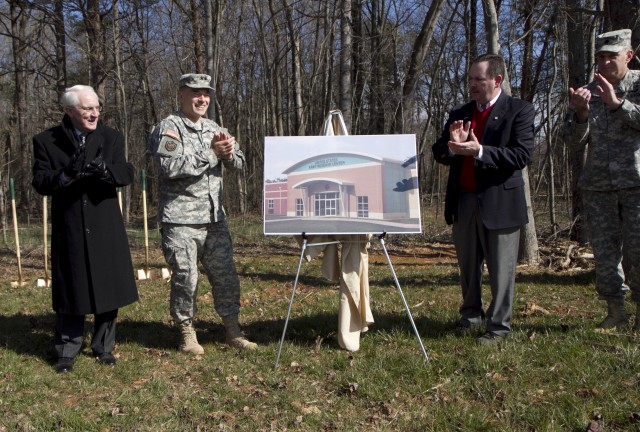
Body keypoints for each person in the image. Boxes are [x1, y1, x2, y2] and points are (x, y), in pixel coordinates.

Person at [32, 85, 139, 373]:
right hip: (70, 225)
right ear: (69, 111)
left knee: (107, 284)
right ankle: (67, 349)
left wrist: (105, 172)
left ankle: (104, 346)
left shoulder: (110, 137)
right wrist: (66, 174)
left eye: (96, 108)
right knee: (72, 285)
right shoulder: (46, 141)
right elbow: (40, 181)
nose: (94, 114)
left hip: (104, 223)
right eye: (87, 109)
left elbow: (127, 172)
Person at [149, 73, 256, 354]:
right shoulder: (168, 128)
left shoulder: (214, 127)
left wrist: (230, 154)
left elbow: (240, 163)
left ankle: (233, 330)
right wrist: (211, 154)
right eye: (195, 93)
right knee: (186, 277)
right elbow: (169, 168)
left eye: (206, 94)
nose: (202, 99)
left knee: (225, 276)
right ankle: (186, 332)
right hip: (180, 220)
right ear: (181, 95)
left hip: (214, 219)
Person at [432, 54, 535, 345]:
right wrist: (453, 148)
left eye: (479, 79)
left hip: (501, 204)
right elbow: (438, 151)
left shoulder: (519, 110)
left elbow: (521, 155)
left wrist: (478, 151)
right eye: (470, 79)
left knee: (502, 271)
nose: (473, 85)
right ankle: (470, 317)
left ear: (497, 80)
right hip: (464, 201)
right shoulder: (459, 113)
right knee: (468, 267)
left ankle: (498, 327)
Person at [565, 29, 640, 332]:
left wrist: (618, 104)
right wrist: (581, 114)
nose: (606, 61)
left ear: (629, 56)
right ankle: (615, 314)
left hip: (636, 184)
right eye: (601, 56)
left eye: (613, 56)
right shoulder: (587, 92)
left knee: (638, 252)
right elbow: (571, 142)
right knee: (607, 256)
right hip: (598, 187)